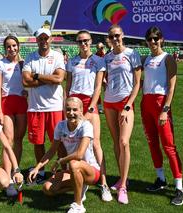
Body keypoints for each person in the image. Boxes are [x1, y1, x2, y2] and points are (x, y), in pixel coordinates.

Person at [28, 97, 101, 213]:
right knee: (48, 189)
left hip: (91, 171)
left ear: (81, 111)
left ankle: (78, 205)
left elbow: (79, 154)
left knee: (73, 163)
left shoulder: (86, 126)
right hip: (73, 170)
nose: (71, 113)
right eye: (68, 109)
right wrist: (37, 168)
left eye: (75, 110)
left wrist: (60, 161)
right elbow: (51, 151)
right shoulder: (61, 126)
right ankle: (80, 187)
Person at [66, 30, 112, 202]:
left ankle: (104, 183)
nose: (83, 44)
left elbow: (98, 87)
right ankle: (80, 181)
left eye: (86, 40)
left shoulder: (99, 60)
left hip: (89, 105)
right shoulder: (72, 61)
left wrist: (91, 109)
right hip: (73, 105)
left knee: (96, 144)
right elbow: (68, 86)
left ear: (91, 41)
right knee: (76, 143)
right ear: (77, 43)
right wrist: (68, 105)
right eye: (80, 41)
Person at [141, 26, 183, 205]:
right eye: (150, 39)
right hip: (146, 104)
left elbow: (172, 86)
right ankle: (160, 179)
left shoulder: (167, 59)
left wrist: (165, 109)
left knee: (168, 146)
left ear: (162, 39)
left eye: (156, 38)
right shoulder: (146, 59)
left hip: (161, 105)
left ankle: (179, 187)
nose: (153, 42)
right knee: (152, 142)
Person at [104, 25, 142, 204]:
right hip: (109, 102)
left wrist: (128, 105)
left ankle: (123, 187)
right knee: (116, 142)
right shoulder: (107, 57)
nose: (115, 38)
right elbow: (105, 78)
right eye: (112, 36)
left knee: (124, 142)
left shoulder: (132, 54)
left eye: (117, 35)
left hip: (125, 103)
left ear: (123, 35)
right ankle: (121, 178)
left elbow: (137, 83)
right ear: (109, 39)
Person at [22, 28, 66, 184]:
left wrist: (37, 76)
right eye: (40, 38)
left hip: (54, 107)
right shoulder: (30, 57)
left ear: (51, 39)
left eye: (46, 38)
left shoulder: (57, 56)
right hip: (35, 107)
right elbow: (25, 81)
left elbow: (59, 78)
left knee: (59, 142)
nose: (43, 41)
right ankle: (40, 171)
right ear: (37, 40)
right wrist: (49, 79)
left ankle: (63, 170)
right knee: (38, 142)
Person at [0, 35, 28, 196]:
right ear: (5, 48)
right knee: (8, 140)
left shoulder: (23, 64)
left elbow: (28, 84)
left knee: (19, 139)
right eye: (8, 46)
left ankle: (16, 172)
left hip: (22, 103)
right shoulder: (0, 64)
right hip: (7, 104)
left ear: (18, 46)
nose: (12, 48)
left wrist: (26, 91)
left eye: (14, 45)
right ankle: (7, 180)